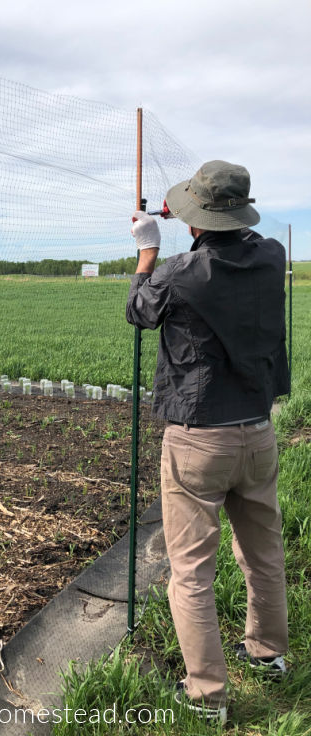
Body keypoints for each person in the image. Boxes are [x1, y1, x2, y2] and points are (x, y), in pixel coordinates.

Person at [125, 160, 289, 725]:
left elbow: (139, 310)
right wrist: (194, 219)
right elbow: (230, 242)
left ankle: (208, 696)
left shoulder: (178, 273)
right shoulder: (272, 256)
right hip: (258, 431)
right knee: (263, 551)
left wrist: (148, 246)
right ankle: (269, 654)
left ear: (195, 220)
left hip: (199, 439)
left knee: (191, 570)